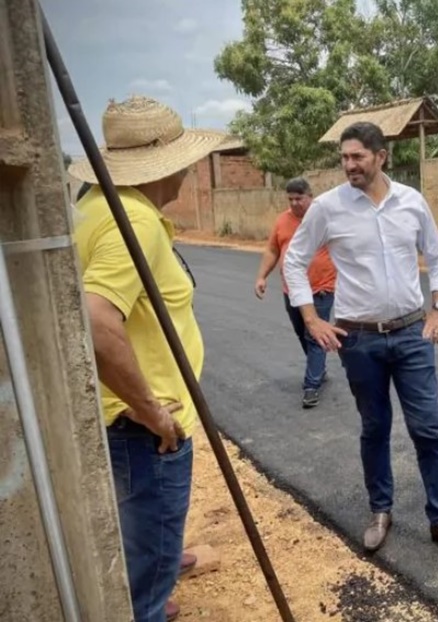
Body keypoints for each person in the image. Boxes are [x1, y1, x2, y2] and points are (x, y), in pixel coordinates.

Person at [282, 121, 438, 561]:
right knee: (375, 428)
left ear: (380, 156)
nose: (348, 164)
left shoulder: (411, 202)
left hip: (411, 334)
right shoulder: (328, 207)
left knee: (430, 429)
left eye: (357, 157)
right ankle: (380, 512)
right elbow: (294, 261)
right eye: (344, 157)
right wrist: (312, 317)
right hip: (359, 340)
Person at [69, 95, 225, 622]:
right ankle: (147, 601)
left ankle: (155, 570)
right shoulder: (129, 222)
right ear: (171, 164)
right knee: (147, 562)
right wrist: (152, 410)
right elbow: (94, 319)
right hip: (146, 429)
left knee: (144, 530)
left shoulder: (98, 204)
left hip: (129, 422)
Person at [254, 176, 337, 408]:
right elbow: (272, 250)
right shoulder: (282, 221)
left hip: (321, 288)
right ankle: (318, 368)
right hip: (291, 290)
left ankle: (311, 386)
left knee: (315, 335)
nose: (294, 203)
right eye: (290, 199)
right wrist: (261, 276)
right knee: (303, 333)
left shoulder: (323, 218)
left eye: (299, 198)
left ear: (310, 196)